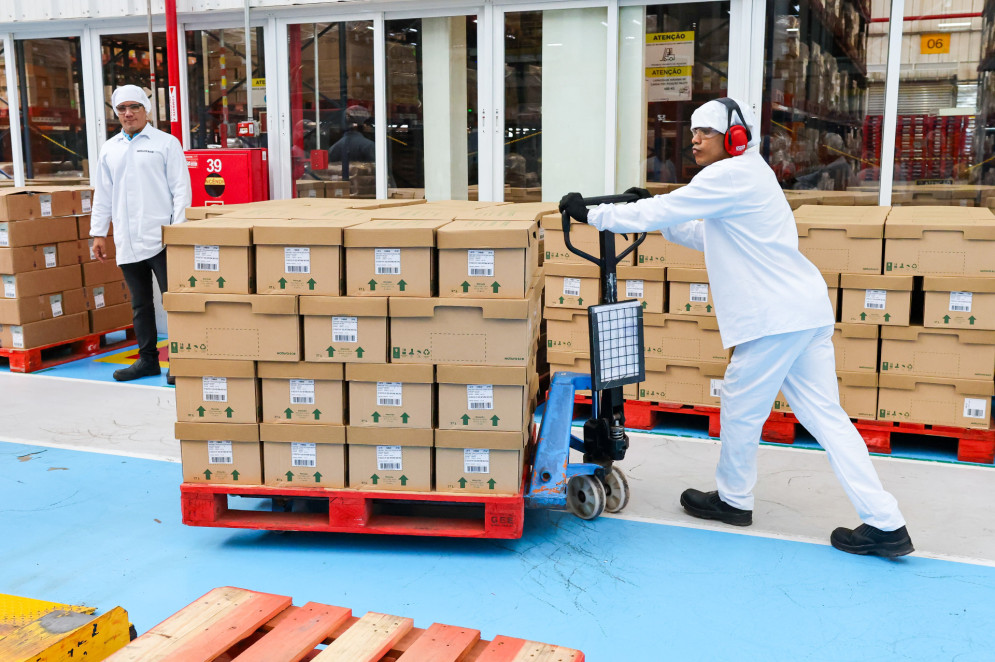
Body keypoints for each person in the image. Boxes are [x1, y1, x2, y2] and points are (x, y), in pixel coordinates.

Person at [559, 97, 913, 558]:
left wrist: (594, 215)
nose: (694, 140)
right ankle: (886, 523)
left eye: (704, 132)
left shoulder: (729, 174)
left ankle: (733, 500)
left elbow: (665, 210)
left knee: (743, 409)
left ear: (735, 138)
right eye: (693, 132)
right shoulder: (752, 175)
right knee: (828, 419)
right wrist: (658, 216)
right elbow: (710, 235)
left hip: (774, 321)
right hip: (803, 312)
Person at [90, 85, 191, 383]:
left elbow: (181, 191)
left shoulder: (166, 143)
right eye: (122, 109)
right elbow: (103, 195)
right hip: (126, 239)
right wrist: (98, 233)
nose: (128, 113)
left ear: (146, 109)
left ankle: (181, 361)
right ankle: (147, 360)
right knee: (140, 304)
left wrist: (179, 233)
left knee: (174, 303)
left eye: (134, 107)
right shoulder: (110, 148)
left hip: (162, 238)